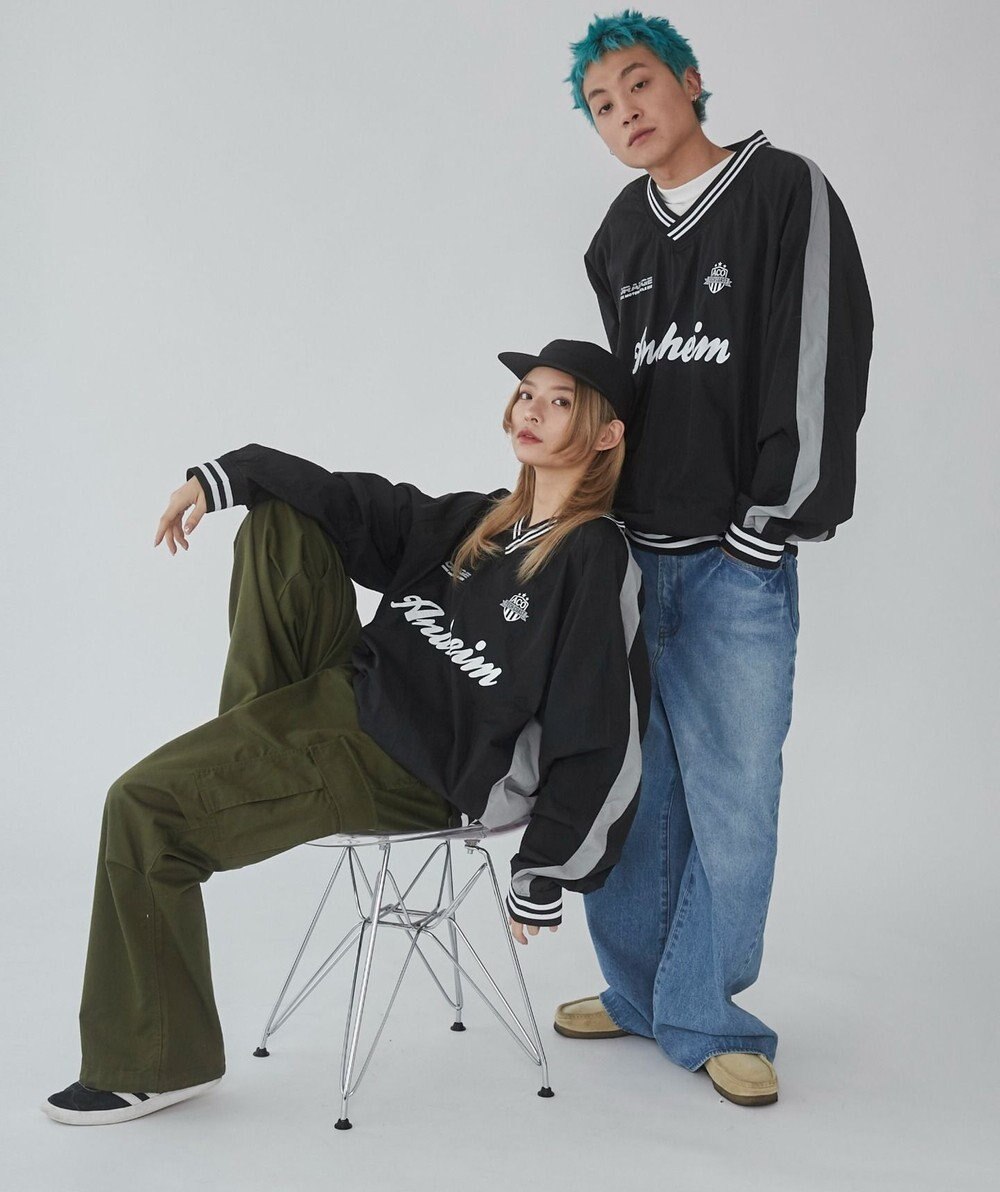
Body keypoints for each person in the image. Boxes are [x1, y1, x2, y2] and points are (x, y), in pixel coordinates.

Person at [41, 339, 650, 1125]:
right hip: (349, 699)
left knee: (141, 806)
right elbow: (357, 503)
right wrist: (222, 477)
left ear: (606, 434)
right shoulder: (478, 520)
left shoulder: (593, 554)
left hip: (414, 769)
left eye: (559, 401)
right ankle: (254, 751)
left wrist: (545, 869)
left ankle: (154, 1064)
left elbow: (602, 724)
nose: (530, 409)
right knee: (284, 521)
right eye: (527, 392)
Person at [552, 12, 874, 1106]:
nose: (625, 112)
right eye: (601, 106)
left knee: (734, 797)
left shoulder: (784, 189)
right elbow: (620, 403)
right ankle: (643, 994)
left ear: (689, 81)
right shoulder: (617, 236)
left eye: (638, 84)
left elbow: (823, 353)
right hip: (633, 560)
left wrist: (772, 517)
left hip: (739, 560)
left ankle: (705, 1008)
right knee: (633, 790)